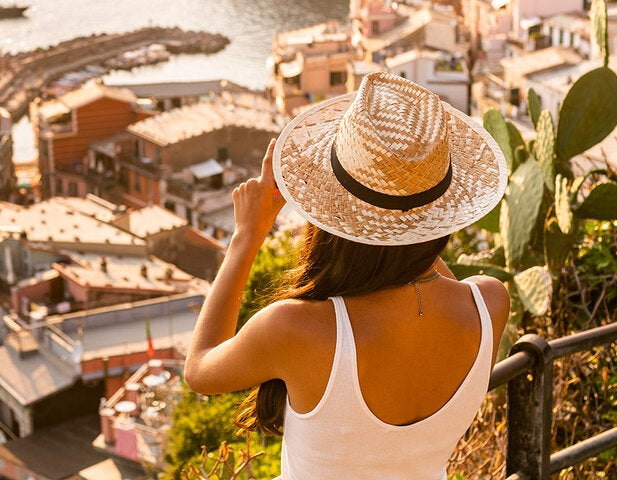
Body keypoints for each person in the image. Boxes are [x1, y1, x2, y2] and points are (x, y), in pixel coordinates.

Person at [185, 72, 511, 479]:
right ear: (443, 210)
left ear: (331, 213)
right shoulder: (489, 304)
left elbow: (199, 370)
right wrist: (410, 208)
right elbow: (417, 262)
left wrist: (246, 236)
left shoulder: (296, 328)